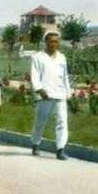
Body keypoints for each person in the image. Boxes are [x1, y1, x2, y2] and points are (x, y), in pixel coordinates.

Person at [30, 31, 71, 160]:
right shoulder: (37, 57)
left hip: (60, 94)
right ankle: (36, 143)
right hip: (45, 95)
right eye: (51, 41)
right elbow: (34, 75)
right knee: (40, 122)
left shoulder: (62, 57)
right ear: (46, 42)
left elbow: (65, 76)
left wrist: (67, 92)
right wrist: (39, 89)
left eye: (56, 41)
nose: (54, 44)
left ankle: (60, 149)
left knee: (62, 122)